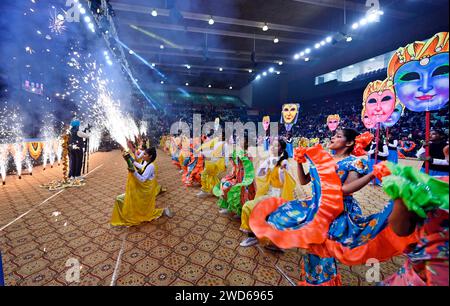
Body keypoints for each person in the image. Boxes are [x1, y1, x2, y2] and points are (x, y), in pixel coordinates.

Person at [249, 129, 415, 286]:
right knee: (289, 226)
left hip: (337, 210)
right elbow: (304, 181)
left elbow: (346, 189)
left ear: (349, 143)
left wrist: (372, 174)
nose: (333, 137)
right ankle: (313, 279)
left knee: (324, 247)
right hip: (316, 206)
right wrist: (299, 162)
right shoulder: (325, 159)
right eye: (334, 135)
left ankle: (322, 281)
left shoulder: (355, 161)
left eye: (338, 135)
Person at [240, 139, 296, 247]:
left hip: (279, 196)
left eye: (277, 146)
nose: (273, 148)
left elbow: (288, 183)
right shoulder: (271, 160)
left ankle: (260, 237)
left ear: (282, 149)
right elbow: (260, 173)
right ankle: (252, 236)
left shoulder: (284, 163)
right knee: (248, 206)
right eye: (272, 145)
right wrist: (266, 164)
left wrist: (281, 171)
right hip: (269, 194)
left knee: (253, 208)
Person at [111, 147, 172, 226]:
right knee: (123, 199)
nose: (142, 155)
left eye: (145, 154)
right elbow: (140, 166)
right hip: (142, 189)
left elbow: (142, 179)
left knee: (120, 199)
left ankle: (129, 216)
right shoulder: (147, 163)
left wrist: (134, 172)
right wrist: (129, 158)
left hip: (144, 191)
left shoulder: (151, 166)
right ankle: (128, 215)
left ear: (150, 156)